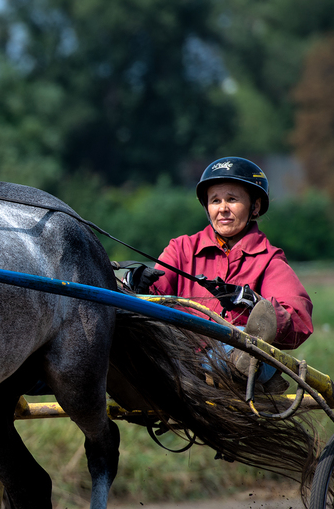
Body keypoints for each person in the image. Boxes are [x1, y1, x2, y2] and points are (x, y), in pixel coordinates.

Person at [128, 157, 313, 386]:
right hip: (183, 353)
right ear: (207, 207)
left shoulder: (269, 259)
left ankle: (244, 365)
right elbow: (156, 296)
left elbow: (298, 318)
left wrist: (254, 302)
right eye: (215, 200)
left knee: (244, 343)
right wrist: (138, 286)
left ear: (254, 206)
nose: (223, 208)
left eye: (232, 199)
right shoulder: (181, 248)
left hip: (231, 354)